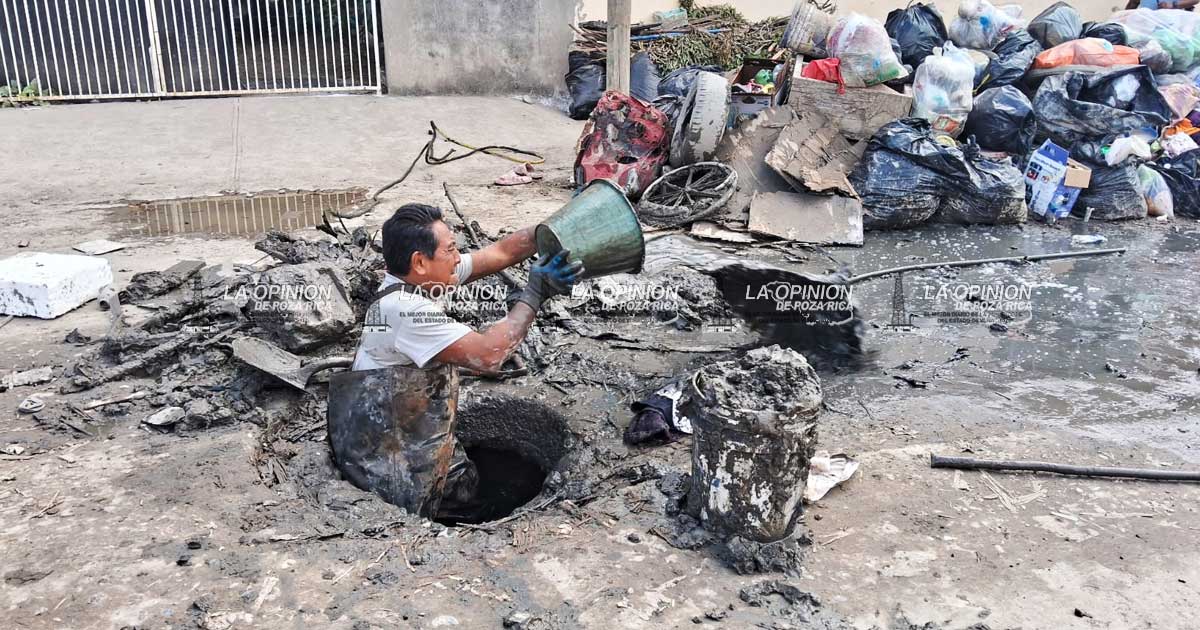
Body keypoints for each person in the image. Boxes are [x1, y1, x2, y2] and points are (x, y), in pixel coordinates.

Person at [352, 203, 583, 373]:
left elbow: (500, 253)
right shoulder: (404, 310)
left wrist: (549, 230)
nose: (458, 258)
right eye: (450, 249)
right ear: (420, 262)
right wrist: (535, 293)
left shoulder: (418, 278)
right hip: (381, 429)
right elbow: (489, 355)